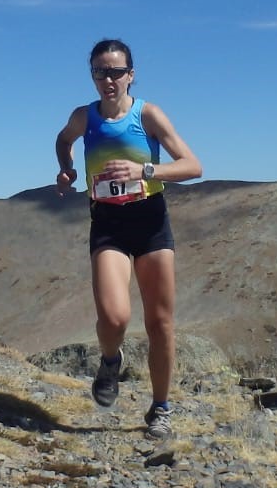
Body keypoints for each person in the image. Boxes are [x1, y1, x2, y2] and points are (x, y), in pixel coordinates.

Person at [54, 38, 202, 441]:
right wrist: (66, 169)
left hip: (150, 220)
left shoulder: (148, 115)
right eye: (100, 72)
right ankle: (109, 360)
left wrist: (146, 171)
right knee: (115, 317)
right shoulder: (84, 117)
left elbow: (193, 166)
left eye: (116, 71)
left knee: (160, 322)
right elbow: (64, 139)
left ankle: (161, 408)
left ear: (130, 75)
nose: (108, 79)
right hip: (108, 223)